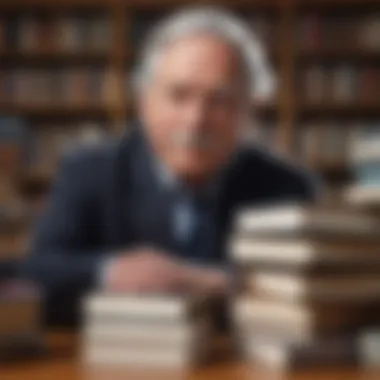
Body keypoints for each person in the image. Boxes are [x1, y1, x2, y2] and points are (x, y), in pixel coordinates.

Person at [24, 7, 318, 325]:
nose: (196, 120)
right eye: (179, 96)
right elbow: (36, 271)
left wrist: (205, 281)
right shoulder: (87, 171)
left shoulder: (287, 187)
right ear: (144, 101)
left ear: (249, 111)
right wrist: (111, 270)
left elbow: (315, 286)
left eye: (219, 99)